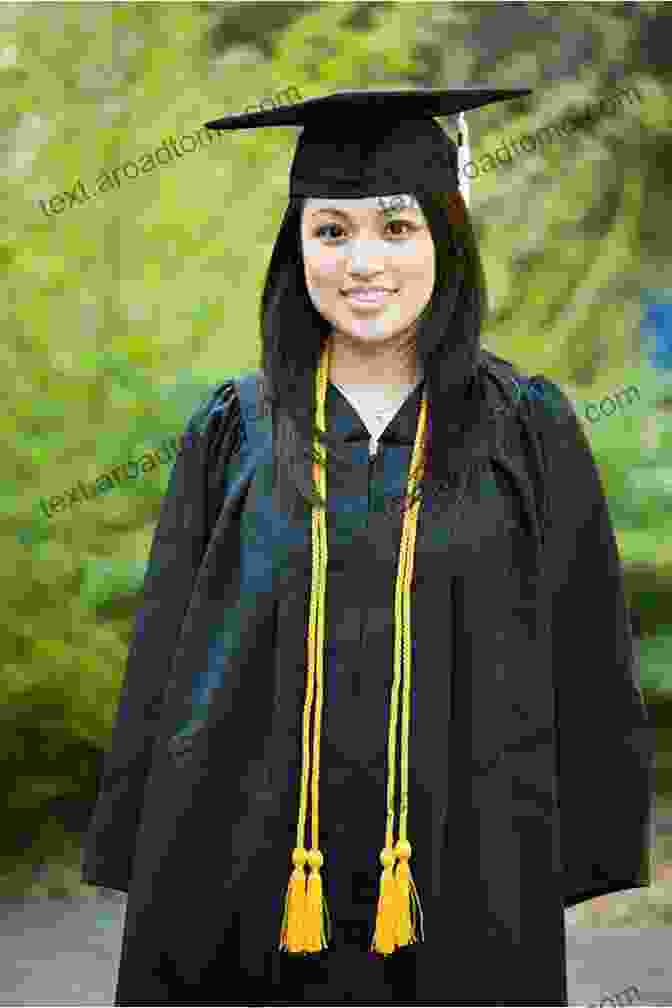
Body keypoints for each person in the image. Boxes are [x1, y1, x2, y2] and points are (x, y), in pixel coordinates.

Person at [80, 88, 654, 1006]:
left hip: (464, 879)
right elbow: (164, 656)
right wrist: (137, 841)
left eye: (396, 227)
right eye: (331, 232)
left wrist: (580, 847)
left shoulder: (525, 427)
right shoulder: (234, 428)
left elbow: (586, 651)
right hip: (242, 881)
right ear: (295, 250)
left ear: (446, 240)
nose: (364, 263)